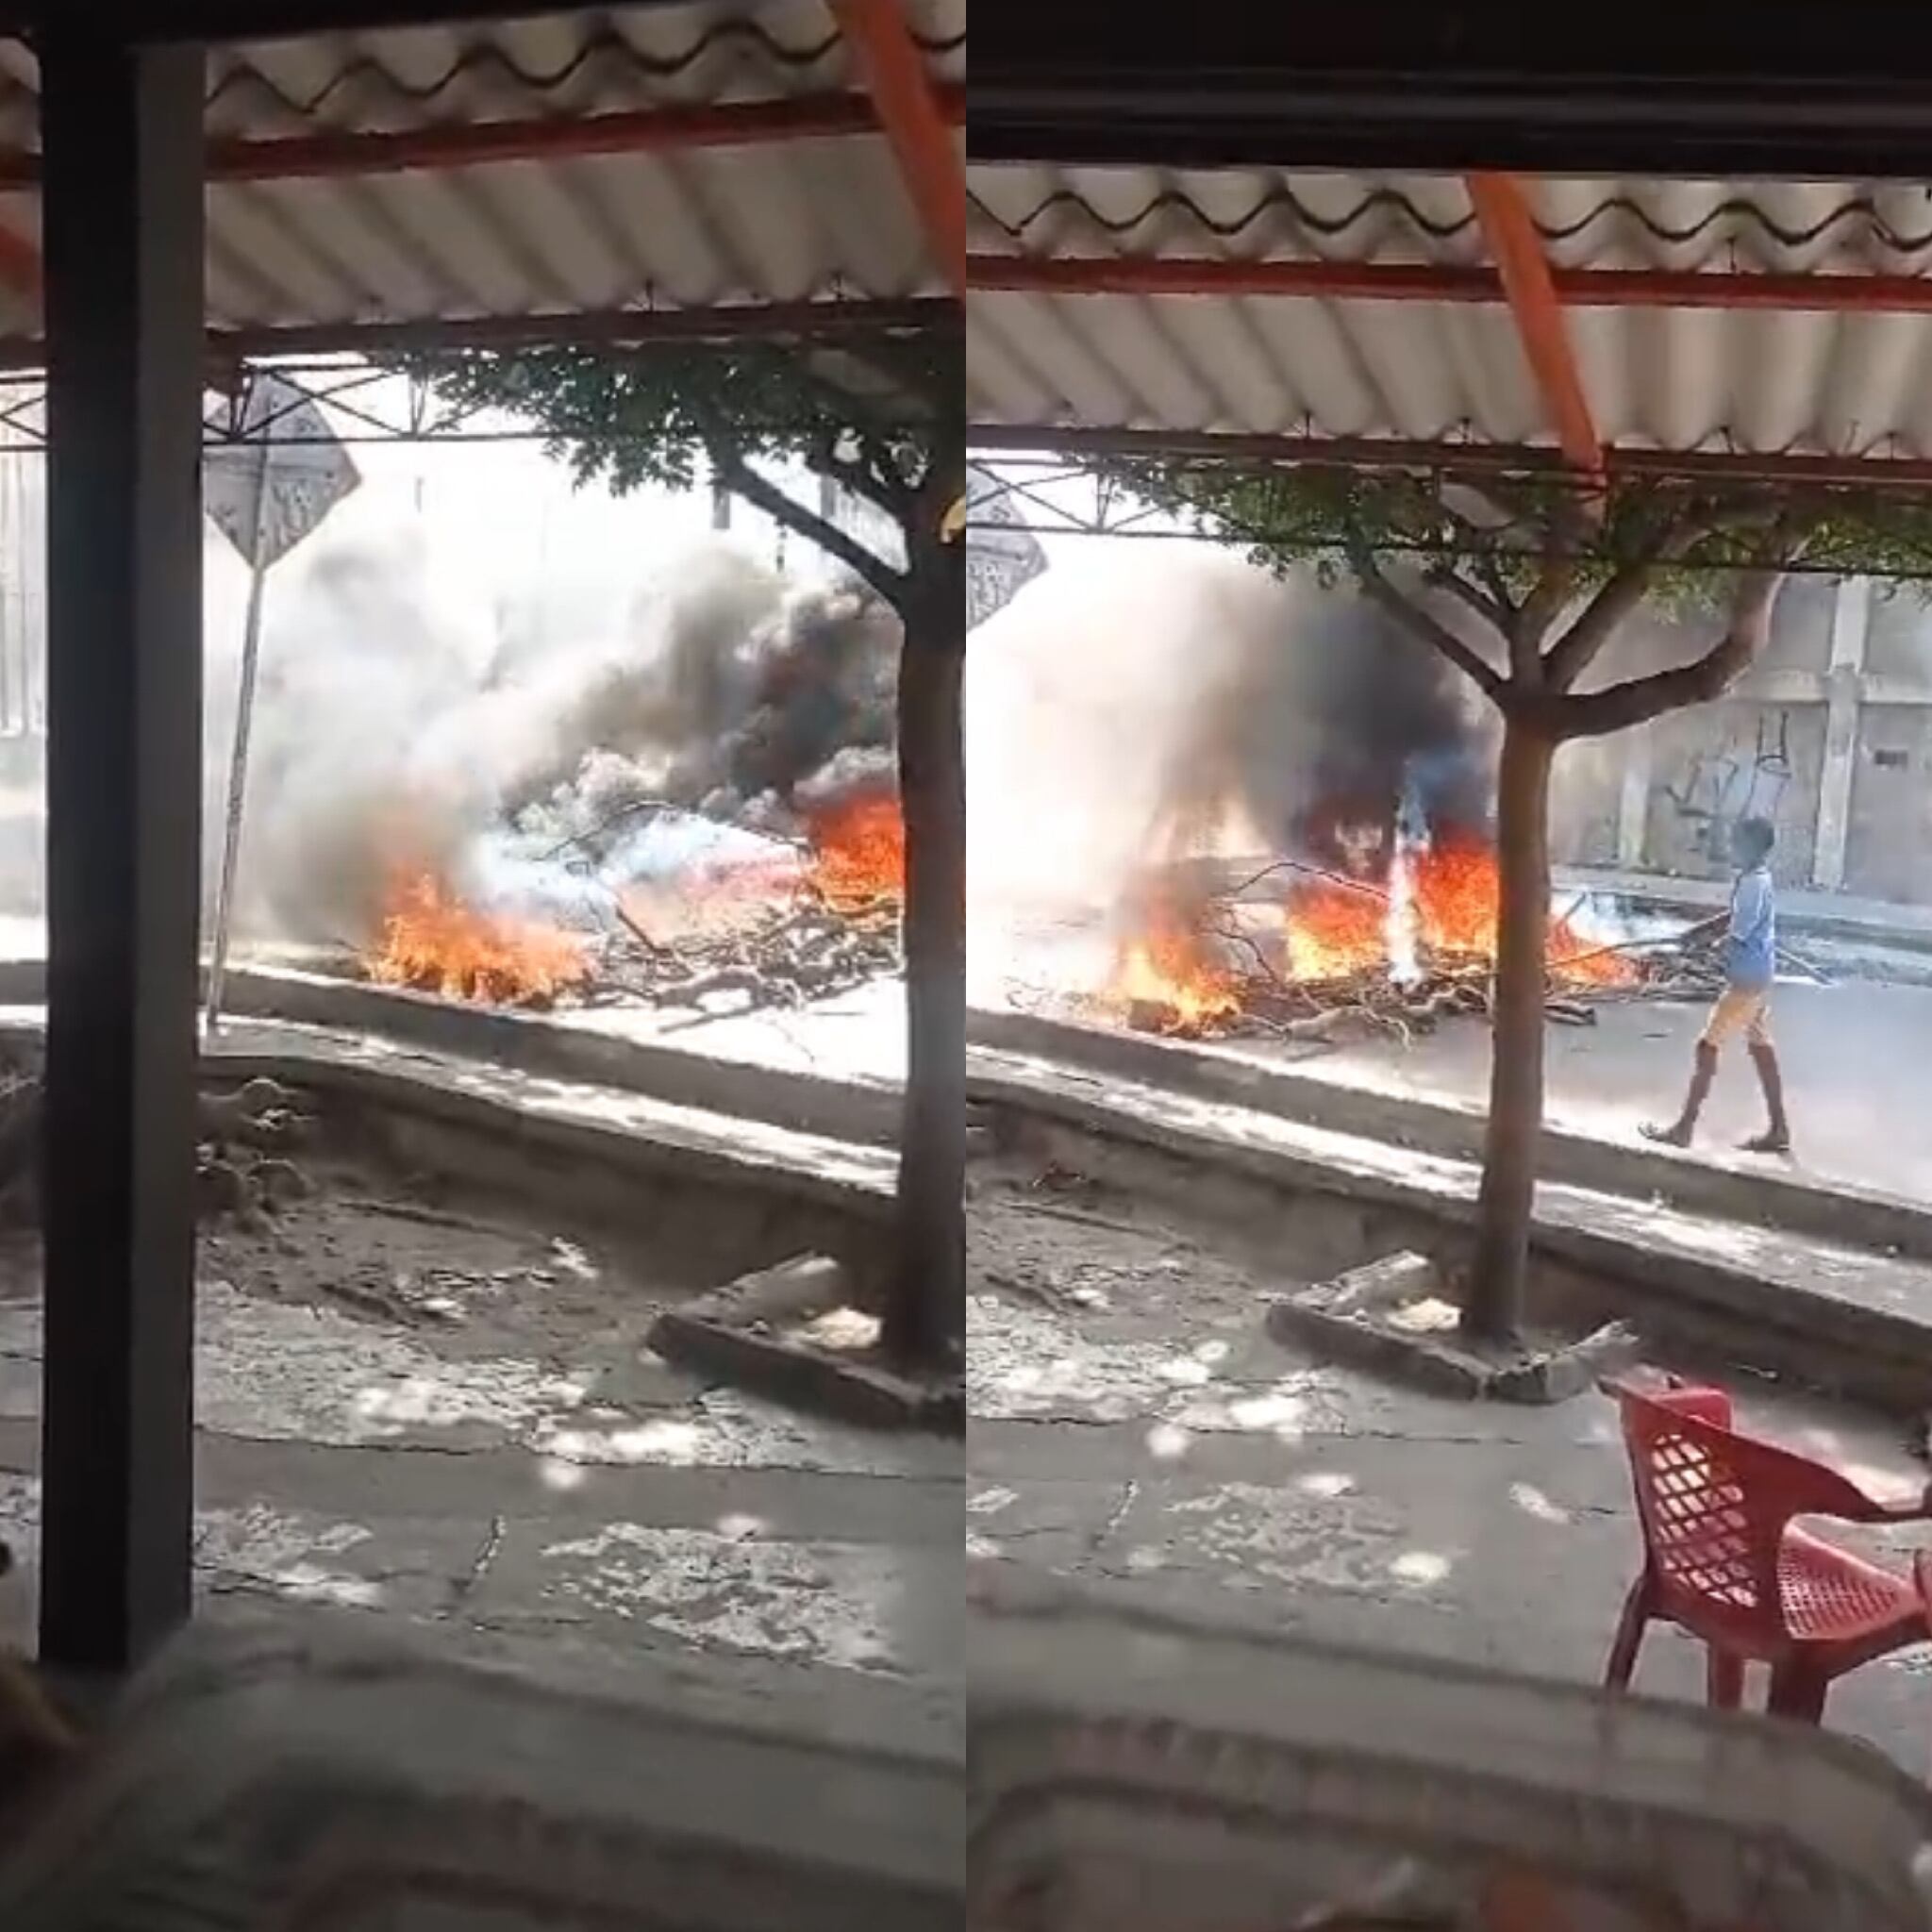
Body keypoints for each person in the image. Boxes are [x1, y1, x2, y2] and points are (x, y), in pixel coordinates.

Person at [1641, 815, 1790, 1155]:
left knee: (1707, 1047)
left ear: (1753, 846)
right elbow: (1734, 918)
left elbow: (1737, 933)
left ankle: (1684, 1128)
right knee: (1761, 1048)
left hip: (1746, 980)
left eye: (1738, 842)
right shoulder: (1758, 878)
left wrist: (1707, 944)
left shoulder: (1752, 884)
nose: (1732, 848)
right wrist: (1699, 930)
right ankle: (1779, 1127)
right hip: (1759, 975)